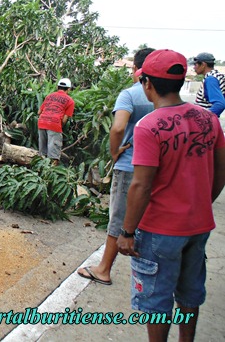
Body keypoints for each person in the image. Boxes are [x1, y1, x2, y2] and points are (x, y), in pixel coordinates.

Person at [117, 49, 225, 342]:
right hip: (199, 226)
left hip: (160, 230)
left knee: (156, 300)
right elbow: (220, 173)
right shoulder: (208, 120)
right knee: (190, 293)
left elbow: (141, 185)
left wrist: (127, 232)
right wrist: (201, 205)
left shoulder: (149, 126)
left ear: (147, 83)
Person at [77, 47, 155, 285]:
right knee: (149, 218)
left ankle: (104, 269)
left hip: (130, 165)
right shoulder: (166, 98)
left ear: (136, 70)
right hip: (156, 169)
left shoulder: (130, 94)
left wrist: (114, 152)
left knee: (119, 217)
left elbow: (118, 127)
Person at [37, 78, 75, 165]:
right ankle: (51, 174)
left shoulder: (49, 96)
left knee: (42, 153)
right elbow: (64, 120)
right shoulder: (70, 101)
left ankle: (40, 171)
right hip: (54, 124)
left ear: (58, 87)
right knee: (53, 155)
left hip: (42, 122)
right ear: (68, 89)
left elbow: (39, 112)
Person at [192, 52, 225, 117]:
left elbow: (220, 104)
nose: (194, 67)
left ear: (203, 65)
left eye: (195, 64)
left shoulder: (210, 79)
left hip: (204, 124)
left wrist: (204, 118)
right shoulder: (216, 76)